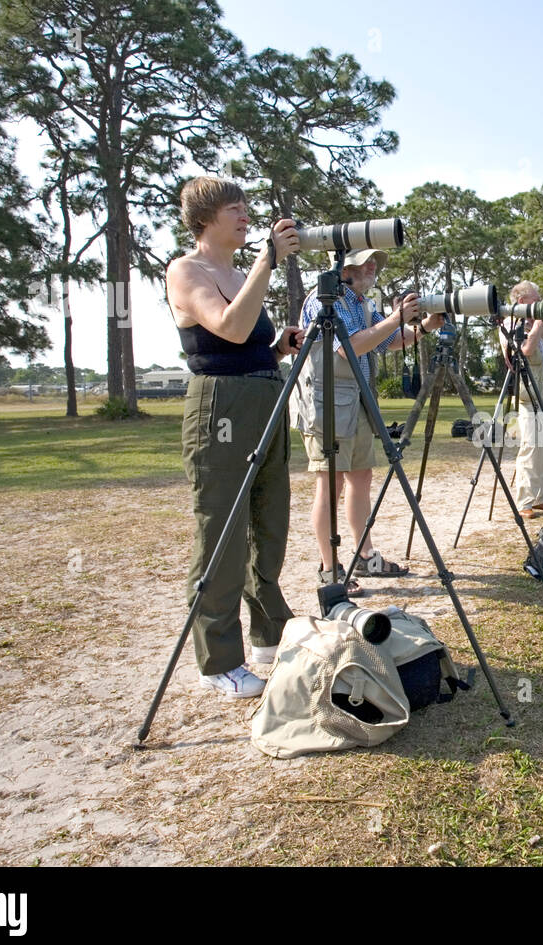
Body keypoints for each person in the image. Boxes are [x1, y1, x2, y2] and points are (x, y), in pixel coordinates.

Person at [165, 176, 304, 699]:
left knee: (270, 521)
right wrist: (269, 261)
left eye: (247, 208)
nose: (246, 217)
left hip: (264, 395)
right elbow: (226, 326)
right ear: (205, 218)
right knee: (222, 531)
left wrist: (280, 348)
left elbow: (251, 344)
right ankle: (218, 659)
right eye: (235, 209)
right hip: (219, 406)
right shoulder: (186, 269)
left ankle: (268, 632)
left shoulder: (242, 270)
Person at [293, 249, 445, 594]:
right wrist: (395, 318)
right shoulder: (323, 298)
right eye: (366, 260)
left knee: (361, 478)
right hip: (327, 403)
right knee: (329, 485)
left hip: (357, 400)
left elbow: (389, 341)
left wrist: (423, 326)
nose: (373, 266)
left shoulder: (361, 302)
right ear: (343, 266)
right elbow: (349, 346)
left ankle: (365, 555)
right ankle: (329, 569)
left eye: (375, 260)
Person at [498, 280, 543, 518]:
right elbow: (526, 350)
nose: (540, 303)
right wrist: (539, 322)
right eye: (536, 299)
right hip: (528, 392)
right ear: (521, 301)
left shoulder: (537, 323)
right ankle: (524, 502)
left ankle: (540, 497)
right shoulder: (510, 323)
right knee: (531, 445)